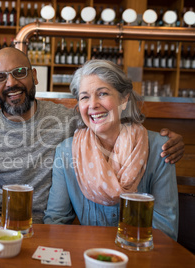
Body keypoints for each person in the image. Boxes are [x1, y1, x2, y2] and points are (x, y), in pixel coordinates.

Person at [0, 47, 184, 224]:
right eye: (0, 77)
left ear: (34, 76)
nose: (11, 82)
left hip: (56, 231)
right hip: (3, 229)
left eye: (19, 72)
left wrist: (167, 142)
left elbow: (110, 123)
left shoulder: (70, 122)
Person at [44, 60, 178, 240]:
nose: (92, 104)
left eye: (103, 93)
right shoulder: (67, 151)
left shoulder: (159, 148)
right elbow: (56, 222)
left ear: (124, 99)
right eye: (84, 97)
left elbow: (166, 232)